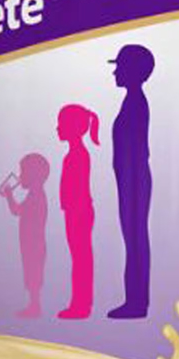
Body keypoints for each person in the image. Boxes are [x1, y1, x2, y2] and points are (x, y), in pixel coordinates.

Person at [107, 44, 155, 319]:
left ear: (132, 70)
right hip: (130, 179)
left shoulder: (135, 103)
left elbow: (134, 150)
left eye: (119, 67)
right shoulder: (132, 101)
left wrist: (128, 182)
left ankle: (136, 303)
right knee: (134, 239)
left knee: (135, 239)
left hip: (133, 180)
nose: (115, 72)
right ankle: (136, 301)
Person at [56, 104, 100, 319]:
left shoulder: (78, 155)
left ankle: (81, 305)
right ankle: (80, 303)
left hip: (78, 212)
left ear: (73, 127)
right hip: (75, 211)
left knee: (81, 259)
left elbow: (77, 189)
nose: (57, 128)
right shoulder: (75, 154)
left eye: (61, 124)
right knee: (80, 258)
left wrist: (73, 210)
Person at [0, 153, 50, 318]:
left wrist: (9, 196)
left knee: (33, 275)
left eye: (23, 172)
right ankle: (34, 305)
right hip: (32, 244)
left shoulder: (36, 197)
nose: (20, 177)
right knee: (31, 274)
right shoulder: (36, 195)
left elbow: (16, 211)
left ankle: (35, 307)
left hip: (34, 245)